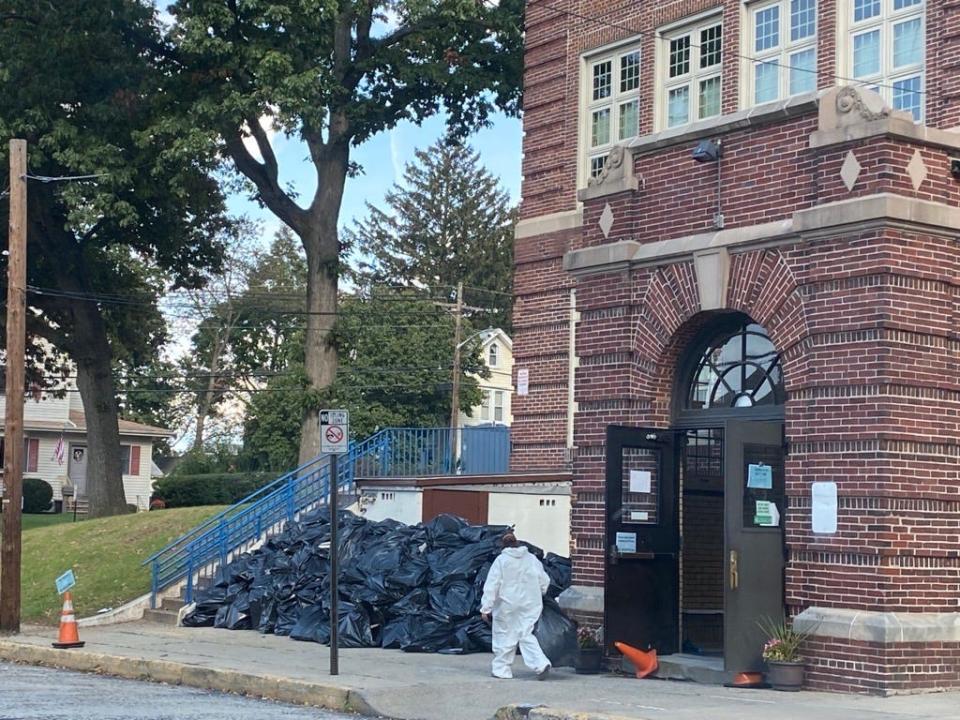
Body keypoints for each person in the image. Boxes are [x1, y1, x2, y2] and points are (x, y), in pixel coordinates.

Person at [480, 531, 552, 680]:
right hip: (531, 604)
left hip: (507, 604)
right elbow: (544, 580)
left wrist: (486, 608)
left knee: (504, 635)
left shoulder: (501, 561)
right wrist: (540, 593)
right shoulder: (531, 559)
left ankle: (502, 669)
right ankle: (540, 663)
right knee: (526, 634)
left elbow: (492, 585)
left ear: (503, 546)